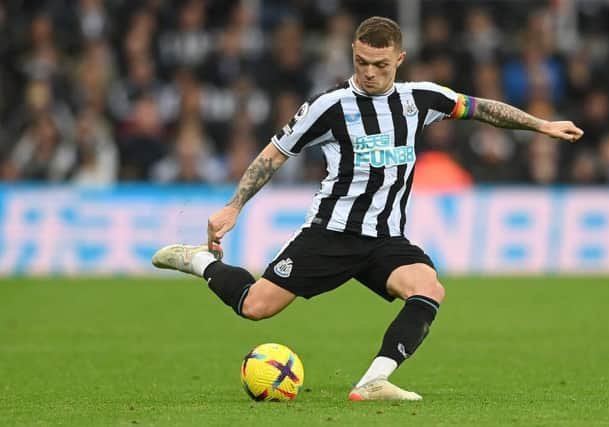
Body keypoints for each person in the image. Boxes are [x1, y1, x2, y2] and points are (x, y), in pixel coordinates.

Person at [152, 16, 583, 401]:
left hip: (385, 239)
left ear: (400, 59)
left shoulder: (421, 99)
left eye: (381, 65)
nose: (370, 73)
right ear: (352, 56)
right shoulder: (328, 106)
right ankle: (200, 261)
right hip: (331, 233)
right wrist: (234, 206)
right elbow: (275, 153)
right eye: (362, 63)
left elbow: (480, 108)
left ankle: (374, 381)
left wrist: (541, 125)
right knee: (255, 306)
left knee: (428, 288)